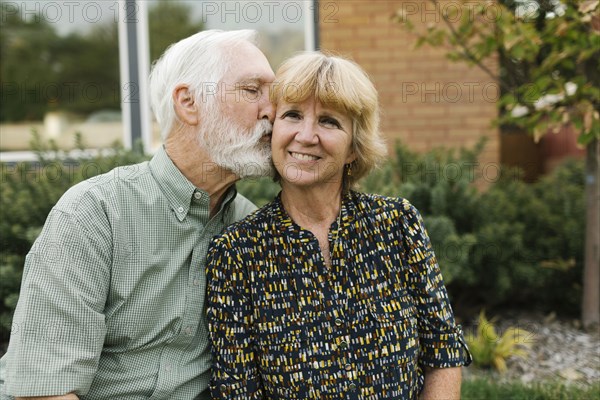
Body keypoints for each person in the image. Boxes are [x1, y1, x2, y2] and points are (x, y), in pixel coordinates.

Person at [0, 29, 275, 399]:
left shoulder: (251, 227)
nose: (271, 110)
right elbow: (45, 392)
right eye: (252, 90)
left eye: (274, 94)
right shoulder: (94, 214)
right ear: (188, 102)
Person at [206, 52, 472, 399]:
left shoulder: (398, 225)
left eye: (329, 121)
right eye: (292, 115)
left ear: (353, 149)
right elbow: (237, 390)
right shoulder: (237, 252)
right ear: (273, 133)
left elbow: (444, 351)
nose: (306, 135)